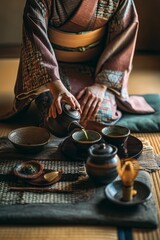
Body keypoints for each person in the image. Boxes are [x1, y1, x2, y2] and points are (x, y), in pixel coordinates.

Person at [1, 0, 154, 127]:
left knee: (99, 116)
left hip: (96, 69)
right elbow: (36, 47)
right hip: (53, 71)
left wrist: (100, 86)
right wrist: (57, 89)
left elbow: (123, 40)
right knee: (59, 118)